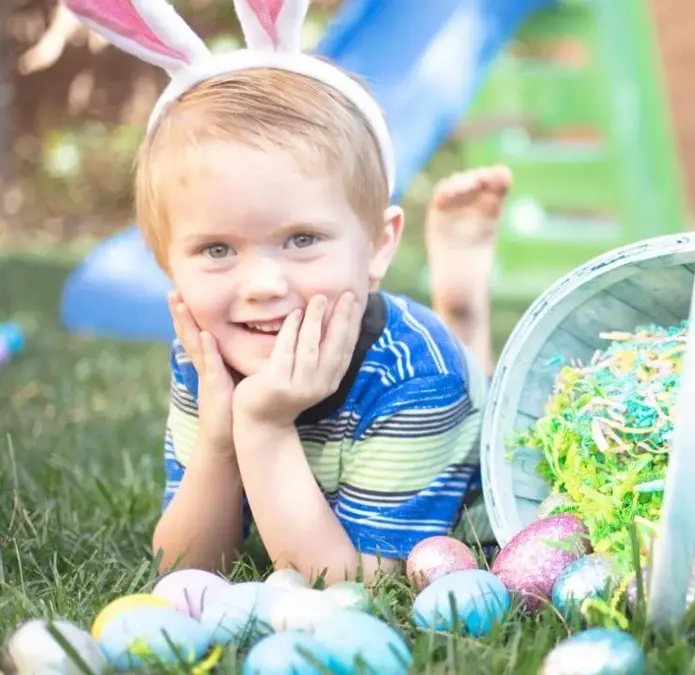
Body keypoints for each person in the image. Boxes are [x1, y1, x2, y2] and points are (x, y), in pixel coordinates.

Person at [61, 0, 509, 584]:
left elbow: (363, 582)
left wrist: (267, 429)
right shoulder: (207, 357)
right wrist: (223, 437)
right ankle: (461, 310)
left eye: (301, 239)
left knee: (495, 399)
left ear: (377, 245)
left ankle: (461, 314)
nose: (264, 286)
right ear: (166, 265)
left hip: (465, 452)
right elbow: (185, 567)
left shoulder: (417, 377)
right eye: (217, 250)